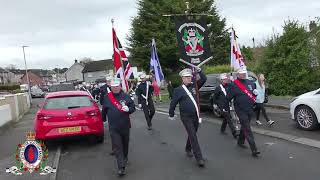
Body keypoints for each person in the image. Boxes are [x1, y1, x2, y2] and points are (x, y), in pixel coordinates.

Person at [169, 68, 207, 167]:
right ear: (182, 78)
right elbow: (173, 103)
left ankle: (188, 148)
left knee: (192, 134)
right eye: (186, 77)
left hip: (196, 116)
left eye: (190, 76)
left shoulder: (195, 86)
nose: (189, 78)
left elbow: (204, 79)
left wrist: (199, 71)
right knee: (193, 136)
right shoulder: (178, 90)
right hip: (186, 117)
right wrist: (171, 113)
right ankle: (199, 158)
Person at [102, 78, 136, 176]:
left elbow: (133, 107)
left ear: (120, 86)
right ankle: (121, 167)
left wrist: (128, 109)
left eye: (117, 86)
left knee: (125, 145)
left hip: (125, 126)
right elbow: (104, 110)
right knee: (117, 146)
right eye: (113, 87)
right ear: (110, 87)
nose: (116, 88)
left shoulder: (125, 96)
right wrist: (103, 119)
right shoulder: (107, 97)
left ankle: (125, 157)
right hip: (113, 127)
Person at [224, 68, 260, 157]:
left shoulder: (250, 83)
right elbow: (227, 98)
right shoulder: (234, 85)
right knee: (247, 128)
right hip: (240, 110)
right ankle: (254, 149)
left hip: (249, 109)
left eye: (244, 73)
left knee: (245, 126)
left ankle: (240, 142)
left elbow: (252, 95)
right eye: (241, 73)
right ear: (238, 74)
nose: (243, 75)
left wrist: (255, 94)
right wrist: (226, 109)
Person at [213, 73, 238, 138]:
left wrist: (232, 80)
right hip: (222, 105)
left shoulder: (229, 85)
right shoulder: (218, 88)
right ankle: (234, 132)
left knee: (226, 118)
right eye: (224, 79)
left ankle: (222, 129)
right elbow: (215, 97)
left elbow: (234, 86)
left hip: (227, 104)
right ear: (221, 80)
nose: (226, 80)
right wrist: (215, 104)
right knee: (229, 118)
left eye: (226, 79)